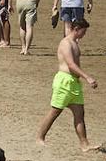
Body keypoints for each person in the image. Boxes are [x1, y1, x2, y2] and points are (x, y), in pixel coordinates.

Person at [36, 18, 100, 150]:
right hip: (64, 81)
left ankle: (84, 144)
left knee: (79, 114)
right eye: (83, 31)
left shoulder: (75, 43)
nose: (84, 34)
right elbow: (71, 65)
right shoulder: (65, 43)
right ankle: (40, 137)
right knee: (55, 111)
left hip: (74, 83)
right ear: (76, 29)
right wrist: (87, 77)